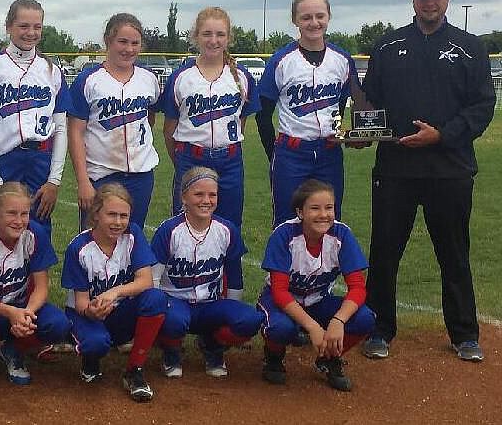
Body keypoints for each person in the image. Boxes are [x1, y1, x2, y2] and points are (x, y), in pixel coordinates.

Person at [361, 0, 496, 362]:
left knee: (453, 252)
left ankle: (464, 334)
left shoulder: (471, 47)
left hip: (449, 168)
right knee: (385, 250)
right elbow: (372, 102)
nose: (430, 3)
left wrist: (443, 134)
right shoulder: (387, 45)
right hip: (396, 168)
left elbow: (482, 106)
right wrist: (361, 133)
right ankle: (378, 328)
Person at [0, 0, 71, 237]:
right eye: (24, 26)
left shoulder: (51, 70)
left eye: (37, 27)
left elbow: (61, 128)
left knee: (38, 234)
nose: (31, 33)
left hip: (40, 160)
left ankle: (35, 276)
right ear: (9, 26)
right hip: (4, 159)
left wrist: (54, 180)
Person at [258, 179, 375, 391]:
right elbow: (280, 292)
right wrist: (313, 327)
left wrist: (338, 321)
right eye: (315, 208)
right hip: (282, 302)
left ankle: (329, 358)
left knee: (364, 318)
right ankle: (273, 356)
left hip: (319, 299)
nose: (323, 214)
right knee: (280, 328)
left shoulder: (341, 235)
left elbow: (358, 287)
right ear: (300, 212)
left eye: (329, 208)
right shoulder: (284, 235)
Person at [256, 0, 360, 226]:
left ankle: (327, 265)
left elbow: (343, 101)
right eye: (306, 17)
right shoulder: (282, 60)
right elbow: (263, 114)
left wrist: (340, 129)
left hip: (329, 152)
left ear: (328, 16)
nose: (314, 22)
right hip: (292, 151)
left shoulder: (342, 59)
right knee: (287, 222)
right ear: (295, 21)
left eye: (319, 16)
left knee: (328, 221)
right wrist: (274, 153)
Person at [151, 167, 264, 378]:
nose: (206, 200)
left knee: (250, 320)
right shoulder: (169, 230)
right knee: (173, 320)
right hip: (175, 303)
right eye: (198, 194)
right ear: (184, 197)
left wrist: (230, 312)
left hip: (210, 305)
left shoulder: (226, 230)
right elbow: (153, 278)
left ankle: (213, 344)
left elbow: (235, 275)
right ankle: (171, 350)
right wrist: (156, 311)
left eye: (212, 195)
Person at [0, 182, 71, 389]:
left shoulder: (34, 234)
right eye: (11, 213)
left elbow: (42, 287)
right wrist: (10, 313)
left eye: (24, 214)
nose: (19, 221)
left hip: (18, 306)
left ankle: (14, 349)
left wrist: (27, 313)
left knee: (58, 324)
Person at [61, 183, 167, 402]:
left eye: (123, 216)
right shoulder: (79, 248)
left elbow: (146, 281)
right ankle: (90, 359)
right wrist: (92, 312)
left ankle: (134, 370)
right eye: (111, 214)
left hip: (119, 313)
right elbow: (80, 303)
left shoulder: (132, 235)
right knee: (96, 343)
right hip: (86, 316)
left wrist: (114, 292)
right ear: (96, 214)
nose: (118, 222)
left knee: (155, 298)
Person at [160, 7, 260, 233]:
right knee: (186, 228)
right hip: (191, 157)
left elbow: (241, 120)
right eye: (206, 34)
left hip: (230, 160)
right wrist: (181, 161)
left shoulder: (241, 76)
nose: (213, 40)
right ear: (195, 36)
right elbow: (169, 130)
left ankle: (229, 270)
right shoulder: (181, 77)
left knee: (229, 227)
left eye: (220, 35)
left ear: (229, 38)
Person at [68, 13, 160, 230]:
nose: (129, 49)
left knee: (132, 239)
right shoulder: (89, 80)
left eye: (135, 43)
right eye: (122, 41)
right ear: (108, 41)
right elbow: (75, 133)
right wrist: (83, 181)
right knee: (95, 241)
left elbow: (150, 117)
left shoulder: (148, 79)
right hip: (101, 176)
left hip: (140, 175)